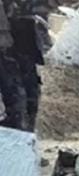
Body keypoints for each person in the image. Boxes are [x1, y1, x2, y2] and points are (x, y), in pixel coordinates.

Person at [0, 0, 51, 132]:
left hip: (24, 38)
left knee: (29, 96)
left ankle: (25, 138)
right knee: (13, 98)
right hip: (6, 46)